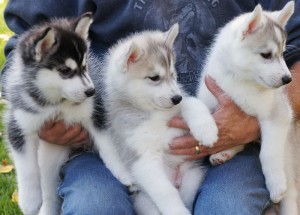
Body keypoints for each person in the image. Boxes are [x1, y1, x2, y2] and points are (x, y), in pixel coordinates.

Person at [2, 0, 300, 214]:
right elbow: (28, 45)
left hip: (234, 142)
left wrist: (252, 122)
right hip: (104, 142)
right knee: (95, 205)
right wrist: (42, 109)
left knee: (227, 207)